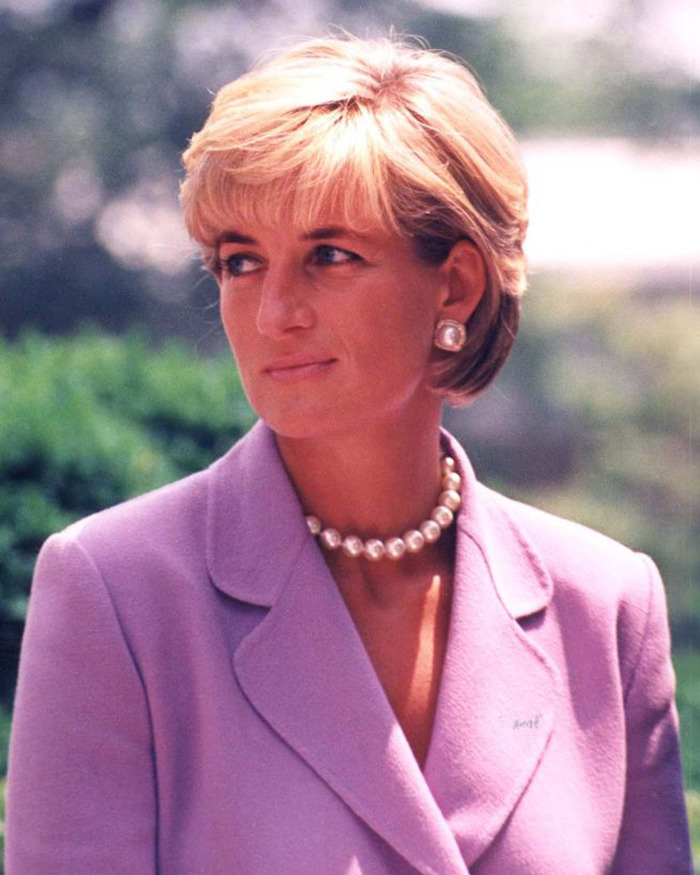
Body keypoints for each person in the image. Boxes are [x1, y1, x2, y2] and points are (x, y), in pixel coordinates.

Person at [5, 34, 692, 875]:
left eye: (330, 255)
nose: (272, 313)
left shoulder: (607, 607)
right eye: (240, 262)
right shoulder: (115, 593)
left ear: (457, 285)